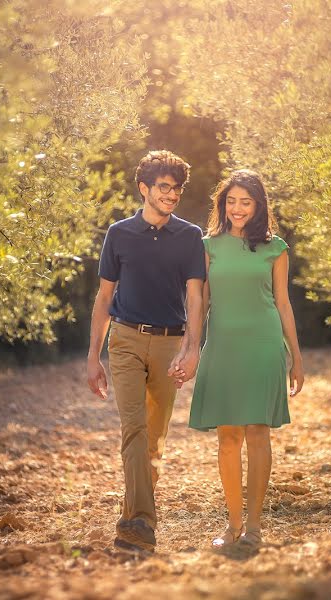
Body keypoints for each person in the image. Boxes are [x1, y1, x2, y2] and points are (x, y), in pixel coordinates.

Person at [86, 150, 205, 554]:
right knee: (133, 428)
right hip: (125, 341)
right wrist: (93, 356)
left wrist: (192, 348)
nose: (171, 195)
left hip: (170, 344)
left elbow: (195, 297)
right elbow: (104, 298)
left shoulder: (190, 237)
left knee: (153, 440)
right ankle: (140, 523)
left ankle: (132, 516)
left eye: (177, 189)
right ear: (144, 189)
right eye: (164, 187)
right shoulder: (118, 234)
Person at [186, 169, 304, 554]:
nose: (237, 209)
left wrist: (296, 358)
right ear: (223, 204)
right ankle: (232, 523)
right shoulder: (208, 246)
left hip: (263, 345)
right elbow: (200, 301)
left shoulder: (276, 248)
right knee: (227, 437)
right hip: (222, 347)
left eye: (245, 202)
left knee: (257, 433)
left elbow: (283, 304)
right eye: (231, 201)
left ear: (258, 206)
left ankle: (254, 525)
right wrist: (191, 346)